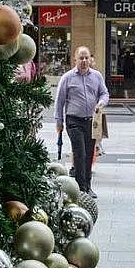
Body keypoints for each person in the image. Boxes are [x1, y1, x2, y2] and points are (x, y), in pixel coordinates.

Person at [54, 47, 109, 198]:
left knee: (89, 154)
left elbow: (104, 93)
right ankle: (80, 188)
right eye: (81, 58)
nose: (84, 61)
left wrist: (101, 102)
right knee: (80, 153)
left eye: (87, 58)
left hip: (91, 121)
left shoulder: (97, 76)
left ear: (90, 59)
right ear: (75, 60)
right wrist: (58, 121)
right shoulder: (67, 77)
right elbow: (59, 101)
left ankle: (87, 186)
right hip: (74, 120)